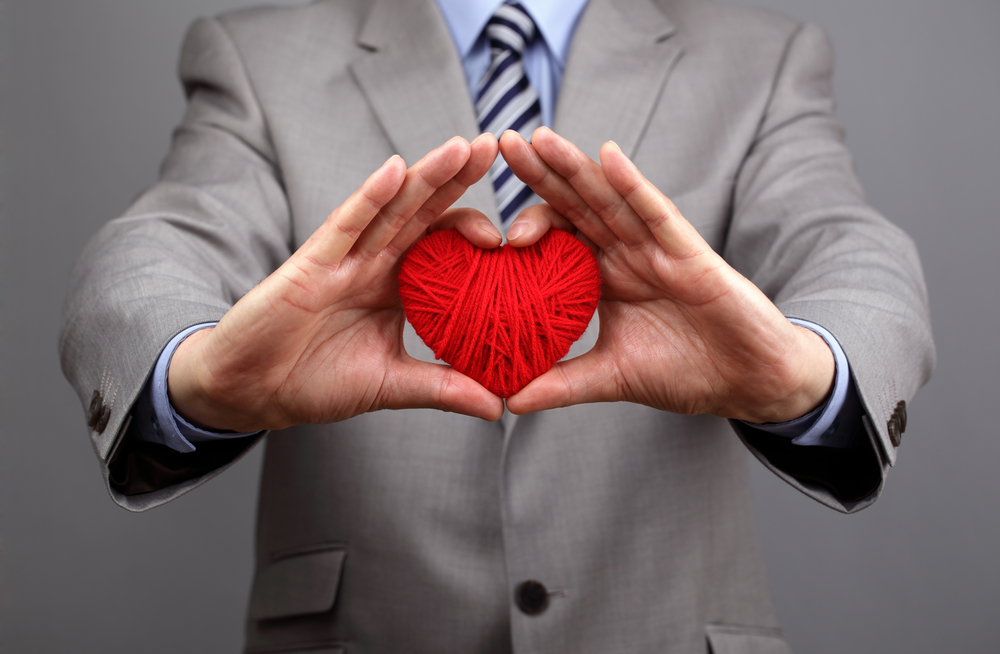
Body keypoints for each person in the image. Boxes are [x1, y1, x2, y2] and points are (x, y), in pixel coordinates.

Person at [59, 0, 934, 652]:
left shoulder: (761, 56)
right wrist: (193, 377)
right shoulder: (259, 55)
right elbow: (156, 244)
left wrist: (808, 375)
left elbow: (848, 243)